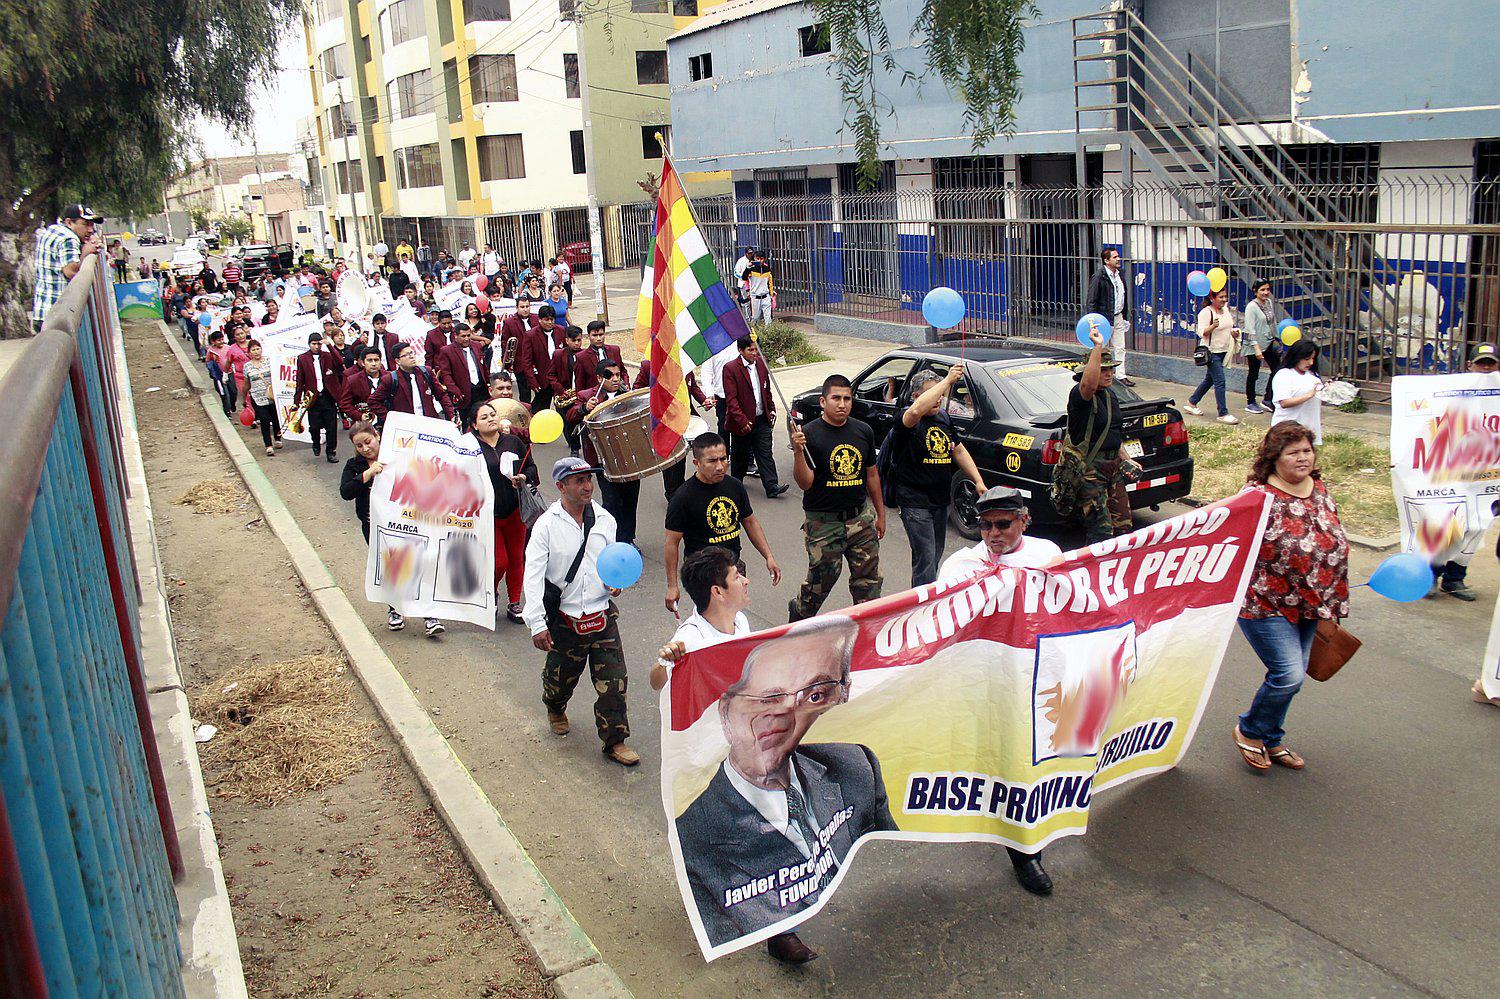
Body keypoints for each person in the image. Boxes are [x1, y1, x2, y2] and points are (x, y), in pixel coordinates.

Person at [674, 615, 898, 961]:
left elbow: (892, 847)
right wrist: (671, 661)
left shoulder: (855, 768)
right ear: (726, 712)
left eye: (813, 695)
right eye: (764, 698)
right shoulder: (695, 836)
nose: (781, 714)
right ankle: (780, 933)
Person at [931, 485, 1062, 895]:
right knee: (1001, 761)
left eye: (1003, 524)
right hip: (984, 684)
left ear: (1024, 521)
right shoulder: (961, 565)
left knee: (1030, 762)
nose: (992, 534)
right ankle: (1021, 848)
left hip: (1033, 680)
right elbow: (940, 622)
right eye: (985, 525)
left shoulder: (1048, 556)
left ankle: (1028, 841)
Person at [1233, 422, 1349, 772]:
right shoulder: (1256, 496)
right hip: (1263, 602)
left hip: (1311, 604)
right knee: (1289, 675)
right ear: (1274, 458)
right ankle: (1250, 730)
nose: (1303, 458)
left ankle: (1271, 736)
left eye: (1307, 450)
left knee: (1291, 677)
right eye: (1293, 452)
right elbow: (1227, 537)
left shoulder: (1320, 488)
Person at [521, 457, 639, 768]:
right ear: (561, 486)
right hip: (565, 619)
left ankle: (615, 740)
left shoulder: (605, 520)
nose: (587, 486)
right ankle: (555, 707)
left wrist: (614, 584)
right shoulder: (546, 526)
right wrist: (536, 623)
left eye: (589, 479)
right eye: (579, 481)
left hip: (602, 616)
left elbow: (611, 562)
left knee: (614, 683)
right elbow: (533, 575)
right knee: (560, 681)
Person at [788, 374, 885, 621]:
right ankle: (797, 618)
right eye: (836, 398)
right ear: (823, 401)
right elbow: (805, 483)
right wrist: (798, 452)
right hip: (824, 523)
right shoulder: (809, 433)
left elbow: (872, 475)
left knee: (869, 584)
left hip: (860, 520)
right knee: (819, 585)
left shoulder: (863, 431)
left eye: (847, 399)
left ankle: (865, 630)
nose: (842, 404)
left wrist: (881, 515)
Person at [887, 366, 986, 587]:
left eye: (940, 394)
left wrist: (977, 480)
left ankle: (923, 596)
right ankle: (924, 602)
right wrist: (948, 380)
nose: (938, 398)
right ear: (916, 396)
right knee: (925, 557)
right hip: (915, 502)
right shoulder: (906, 418)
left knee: (935, 556)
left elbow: (958, 450)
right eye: (932, 393)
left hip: (941, 500)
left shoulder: (943, 417)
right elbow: (915, 412)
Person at [664, 432, 781, 615]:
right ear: (697, 463)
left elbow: (750, 522)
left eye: (723, 459)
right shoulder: (683, 497)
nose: (720, 466)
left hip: (733, 566)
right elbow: (671, 542)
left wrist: (769, 556)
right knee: (715, 619)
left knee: (735, 615)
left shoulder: (734, 486)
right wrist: (672, 586)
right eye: (712, 461)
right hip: (703, 572)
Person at [1429, 343, 1500, 602]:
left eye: (1491, 363)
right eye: (1481, 363)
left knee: (1478, 527)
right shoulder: (1452, 392)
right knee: (1452, 526)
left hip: (1490, 478)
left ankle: (1455, 578)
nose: (1486, 368)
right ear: (1469, 366)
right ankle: (1431, 575)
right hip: (1457, 473)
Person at [1063, 327, 1142, 543]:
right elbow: (1088, 385)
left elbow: (1113, 432)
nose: (1109, 374)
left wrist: (1127, 459)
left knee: (1124, 527)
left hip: (1113, 467)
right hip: (1091, 471)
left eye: (1111, 370)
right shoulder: (1080, 395)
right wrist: (1098, 346)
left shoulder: (1110, 395)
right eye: (1103, 369)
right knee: (1101, 532)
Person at [652, 545, 753, 692]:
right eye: (737, 577)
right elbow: (655, 682)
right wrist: (667, 659)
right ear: (717, 592)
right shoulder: (690, 638)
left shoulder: (740, 619)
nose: (746, 581)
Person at [474, 401, 537, 623]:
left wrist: (523, 477)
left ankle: (515, 602)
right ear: (474, 425)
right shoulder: (470, 448)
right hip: (487, 515)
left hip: (515, 511)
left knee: (516, 559)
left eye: (493, 415)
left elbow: (531, 468)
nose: (491, 419)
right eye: (484, 417)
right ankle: (491, 594)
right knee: (500, 561)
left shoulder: (513, 442)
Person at [568, 363, 638, 543]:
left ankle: (628, 540)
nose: (615, 379)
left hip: (627, 458)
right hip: (602, 460)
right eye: (610, 375)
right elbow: (570, 416)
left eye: (618, 375)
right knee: (611, 502)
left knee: (630, 500)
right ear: (599, 378)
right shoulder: (587, 396)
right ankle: (611, 539)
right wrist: (584, 408)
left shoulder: (627, 395)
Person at [722, 336, 788, 498]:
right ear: (740, 350)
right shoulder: (731, 369)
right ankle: (736, 485)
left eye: (756, 349)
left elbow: (766, 390)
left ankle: (772, 486)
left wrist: (771, 409)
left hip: (761, 420)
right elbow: (731, 400)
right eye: (750, 350)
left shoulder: (761, 364)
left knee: (765, 453)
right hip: (742, 422)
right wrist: (742, 421)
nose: (754, 353)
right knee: (740, 456)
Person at [31, 204, 102, 331]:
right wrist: (86, 252)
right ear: (69, 222)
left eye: (92, 225)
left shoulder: (53, 230)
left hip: (43, 310)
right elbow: (70, 271)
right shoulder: (69, 238)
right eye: (86, 224)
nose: (91, 230)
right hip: (58, 317)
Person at [1183, 287, 1240, 424]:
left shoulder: (1225, 310)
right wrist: (1213, 326)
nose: (1224, 299)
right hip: (1212, 351)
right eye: (1221, 297)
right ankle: (1223, 413)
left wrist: (1234, 333)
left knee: (1209, 380)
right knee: (1220, 381)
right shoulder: (1206, 312)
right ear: (1212, 298)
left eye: (1225, 296)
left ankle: (1191, 403)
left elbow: (1228, 327)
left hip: (1224, 350)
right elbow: (1201, 332)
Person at [1085, 247, 1136, 387]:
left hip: (1118, 316)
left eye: (1118, 256)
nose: (1118, 259)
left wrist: (1124, 316)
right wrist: (1092, 321)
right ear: (1106, 261)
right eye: (1115, 257)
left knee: (1120, 347)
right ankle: (1096, 375)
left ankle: (1121, 376)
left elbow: (1123, 296)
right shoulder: (1099, 277)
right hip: (1103, 318)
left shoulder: (1120, 274)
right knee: (1100, 348)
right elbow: (1091, 300)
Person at [295, 328, 345, 462]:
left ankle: (331, 451)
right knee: (314, 426)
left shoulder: (327, 356)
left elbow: (339, 361)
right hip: (313, 398)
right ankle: (316, 442)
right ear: (309, 344)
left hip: (328, 396)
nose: (316, 346)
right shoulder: (302, 358)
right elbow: (299, 380)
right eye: (314, 344)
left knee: (331, 427)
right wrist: (297, 400)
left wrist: (329, 345)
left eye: (319, 344)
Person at [370, 343, 454, 422]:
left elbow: (442, 395)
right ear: (398, 361)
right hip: (406, 425)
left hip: (429, 421)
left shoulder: (426, 372)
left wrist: (451, 415)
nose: (411, 357)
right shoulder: (390, 379)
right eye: (406, 355)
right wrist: (391, 418)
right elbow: (373, 401)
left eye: (412, 353)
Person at [1270, 340, 1324, 445]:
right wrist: (1308, 395)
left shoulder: (1313, 376)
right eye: (1307, 359)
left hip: (1308, 431)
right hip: (1286, 430)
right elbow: (1284, 402)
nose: (1311, 363)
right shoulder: (1284, 375)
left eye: (1313, 358)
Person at [433, 323, 488, 426]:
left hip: (481, 390)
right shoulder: (446, 351)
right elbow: (446, 374)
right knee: (467, 422)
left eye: (468, 335)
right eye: (463, 336)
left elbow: (483, 366)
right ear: (455, 336)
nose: (466, 339)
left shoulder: (477, 346)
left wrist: (488, 382)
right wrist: (455, 390)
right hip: (463, 393)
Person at [1241, 279, 1279, 414]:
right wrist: (1256, 348)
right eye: (1262, 290)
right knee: (1254, 373)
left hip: (1268, 342)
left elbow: (1272, 322)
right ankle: (1250, 401)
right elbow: (1249, 329)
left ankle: (1268, 399)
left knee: (1277, 369)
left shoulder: (1268, 302)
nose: (1266, 292)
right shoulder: (1251, 307)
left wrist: (1277, 337)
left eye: (1267, 289)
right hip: (1254, 345)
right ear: (1255, 291)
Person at [550, 325, 588, 455]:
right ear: (567, 340)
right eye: (573, 340)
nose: (577, 343)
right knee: (568, 425)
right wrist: (561, 391)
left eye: (579, 340)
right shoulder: (558, 354)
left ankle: (581, 449)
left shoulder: (585, 355)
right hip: (565, 396)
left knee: (583, 424)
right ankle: (574, 447)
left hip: (581, 395)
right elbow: (551, 375)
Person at [340, 346, 385, 425]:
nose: (373, 364)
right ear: (363, 363)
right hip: (364, 424)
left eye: (376, 360)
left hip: (387, 420)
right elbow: (344, 404)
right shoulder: (353, 380)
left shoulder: (390, 377)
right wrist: (359, 416)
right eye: (369, 360)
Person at [204, 330, 234, 417]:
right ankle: (227, 411)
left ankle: (232, 405)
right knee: (224, 393)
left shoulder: (228, 348)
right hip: (219, 375)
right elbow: (208, 362)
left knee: (233, 391)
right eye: (218, 340)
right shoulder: (211, 351)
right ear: (213, 342)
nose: (221, 342)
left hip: (230, 372)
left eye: (222, 339)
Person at [745, 253, 774, 327]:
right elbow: (744, 278)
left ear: (764, 259)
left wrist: (771, 294)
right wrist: (748, 268)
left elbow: (770, 282)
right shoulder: (751, 269)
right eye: (757, 258)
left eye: (761, 259)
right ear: (754, 259)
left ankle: (768, 331)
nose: (759, 260)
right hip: (755, 296)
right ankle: (753, 330)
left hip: (766, 296)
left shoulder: (767, 269)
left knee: (768, 318)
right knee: (755, 317)